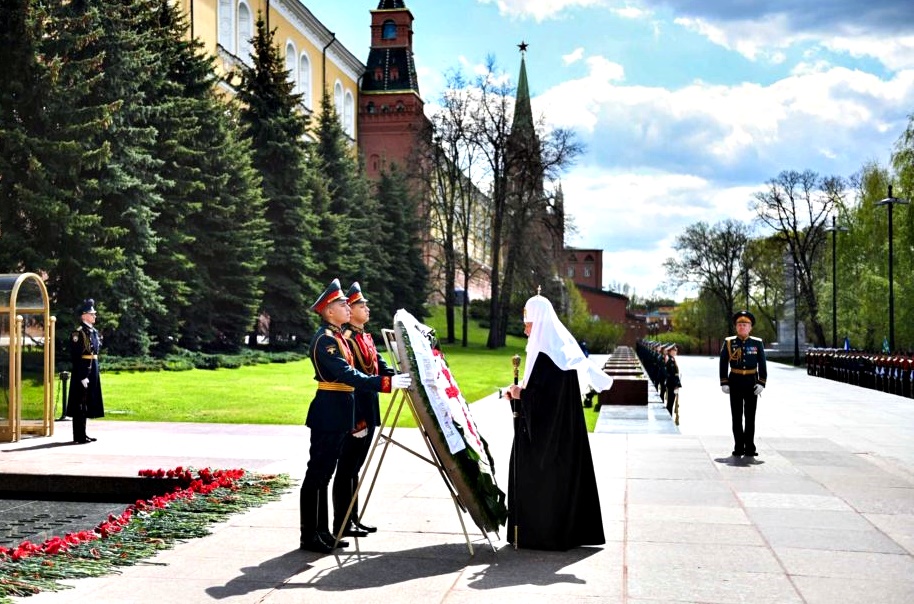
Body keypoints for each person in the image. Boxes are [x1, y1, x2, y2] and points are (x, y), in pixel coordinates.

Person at [299, 279, 411, 554]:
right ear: (328, 311)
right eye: (341, 305)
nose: (346, 308)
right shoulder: (326, 340)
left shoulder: (337, 337)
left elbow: (366, 369)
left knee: (325, 474)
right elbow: (347, 374)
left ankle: (322, 532)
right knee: (318, 474)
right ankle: (310, 534)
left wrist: (387, 379)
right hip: (329, 410)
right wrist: (384, 384)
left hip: (341, 409)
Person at [503, 294, 613, 550]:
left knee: (540, 481)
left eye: (527, 322)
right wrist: (518, 395)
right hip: (553, 435)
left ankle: (540, 534)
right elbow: (539, 395)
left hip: (550, 443)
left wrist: (523, 395)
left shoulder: (550, 356)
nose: (525, 328)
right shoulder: (549, 352)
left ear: (538, 321)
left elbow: (548, 403)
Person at [332, 282, 395, 539]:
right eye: (361, 305)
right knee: (346, 467)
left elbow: (380, 367)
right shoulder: (346, 339)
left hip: (369, 409)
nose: (366, 309)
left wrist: (401, 375)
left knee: (355, 468)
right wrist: (356, 419)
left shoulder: (365, 336)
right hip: (355, 412)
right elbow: (351, 380)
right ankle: (342, 522)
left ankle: (352, 518)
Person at [719, 310, 767, 457]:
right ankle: (739, 446)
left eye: (745, 324)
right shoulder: (729, 342)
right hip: (735, 381)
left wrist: (761, 383)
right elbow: (723, 363)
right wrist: (724, 382)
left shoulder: (757, 343)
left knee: (750, 416)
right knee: (737, 416)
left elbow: (763, 364)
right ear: (736, 326)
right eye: (740, 324)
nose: (742, 327)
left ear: (750, 327)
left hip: (751, 382)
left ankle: (750, 447)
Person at [67, 299, 105, 444]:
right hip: (83, 372)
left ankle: (83, 433)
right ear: (84, 316)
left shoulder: (92, 332)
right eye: (92, 313)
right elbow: (76, 357)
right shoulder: (79, 333)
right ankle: (79, 436)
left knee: (87, 403)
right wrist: (82, 376)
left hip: (92, 369)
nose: (95, 316)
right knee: (79, 404)